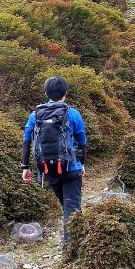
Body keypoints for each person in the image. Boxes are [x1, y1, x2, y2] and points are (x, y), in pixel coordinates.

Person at [21, 76, 86, 246]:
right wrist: (82, 164)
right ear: (65, 93)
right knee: (72, 210)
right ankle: (70, 251)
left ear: (46, 93)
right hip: (71, 169)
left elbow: (27, 140)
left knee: (68, 207)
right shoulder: (73, 114)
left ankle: (76, 242)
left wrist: (25, 167)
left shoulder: (35, 115)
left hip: (49, 169)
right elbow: (82, 141)